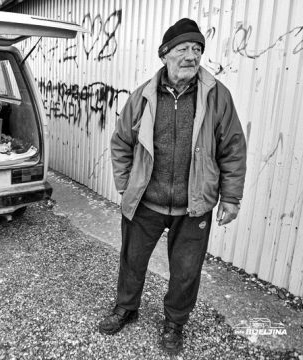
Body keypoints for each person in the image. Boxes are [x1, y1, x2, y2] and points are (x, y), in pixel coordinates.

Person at [99, 18, 247, 355]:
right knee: (132, 260)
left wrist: (231, 197)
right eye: (183, 49)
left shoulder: (216, 96)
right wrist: (126, 185)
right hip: (146, 202)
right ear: (164, 54)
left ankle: (175, 322)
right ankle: (126, 307)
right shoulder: (144, 96)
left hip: (193, 205)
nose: (191, 56)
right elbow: (121, 141)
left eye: (197, 50)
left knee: (186, 271)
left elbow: (233, 148)